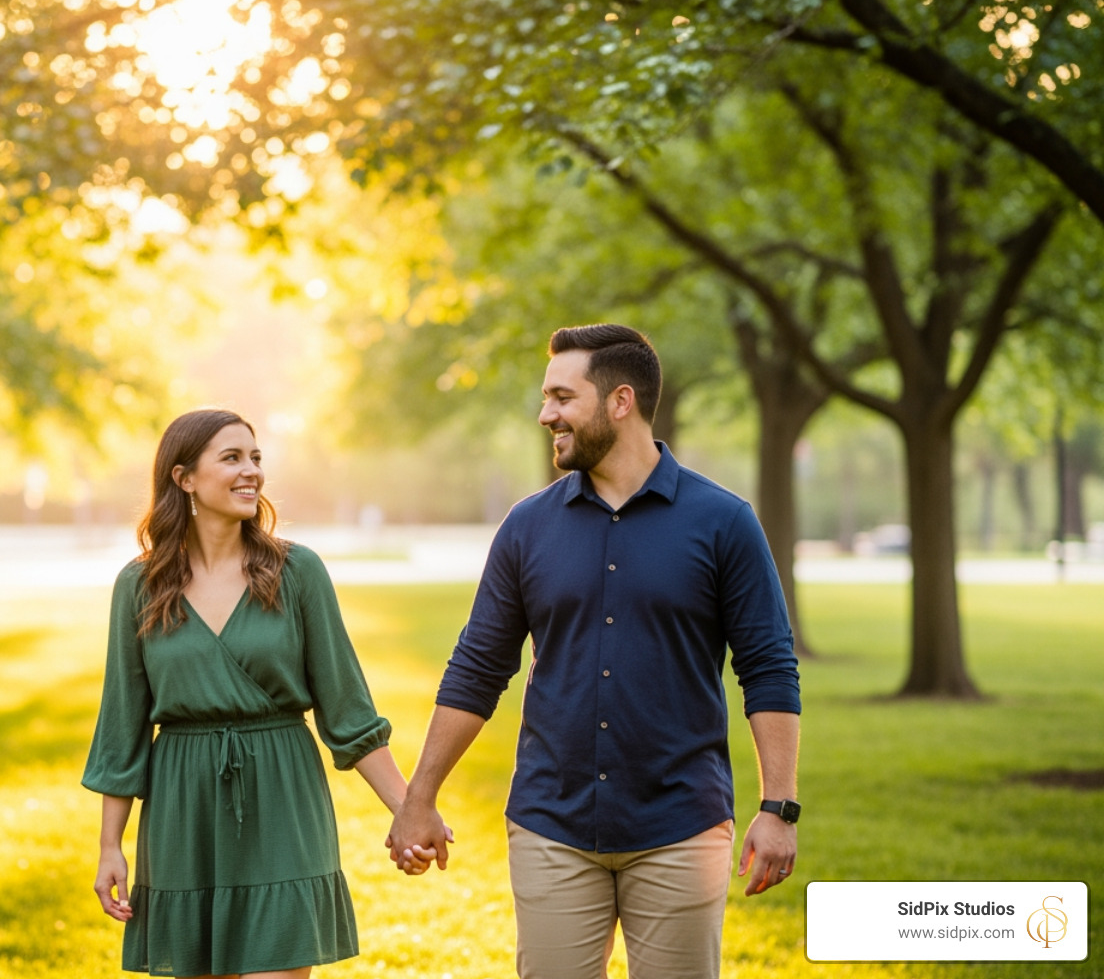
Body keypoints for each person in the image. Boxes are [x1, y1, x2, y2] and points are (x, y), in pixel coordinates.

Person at [388, 324, 802, 979]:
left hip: (681, 824)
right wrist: (421, 794)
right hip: (551, 825)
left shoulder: (724, 523)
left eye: (561, 396)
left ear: (620, 401)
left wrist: (778, 808)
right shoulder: (527, 526)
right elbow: (477, 668)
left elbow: (770, 668)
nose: (544, 413)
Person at [84, 408, 435, 979]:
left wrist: (409, 810)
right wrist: (109, 847)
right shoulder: (139, 586)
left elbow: (349, 714)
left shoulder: (298, 572)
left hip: (282, 798)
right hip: (182, 807)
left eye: (255, 458)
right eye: (231, 458)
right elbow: (121, 729)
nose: (251, 471)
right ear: (184, 478)